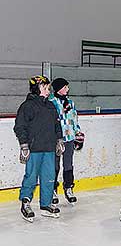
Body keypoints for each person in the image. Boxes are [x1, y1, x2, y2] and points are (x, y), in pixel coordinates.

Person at [14, 75, 64, 222]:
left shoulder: (50, 105)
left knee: (49, 178)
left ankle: (46, 204)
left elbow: (57, 125)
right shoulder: (27, 106)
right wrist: (24, 145)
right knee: (30, 177)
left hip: (49, 148)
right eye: (45, 87)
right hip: (34, 149)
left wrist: (59, 140)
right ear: (38, 88)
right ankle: (26, 203)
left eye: (48, 87)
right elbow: (20, 127)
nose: (48, 89)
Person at [49, 78, 83, 204]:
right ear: (59, 88)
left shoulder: (70, 102)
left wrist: (78, 133)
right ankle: (52, 190)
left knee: (68, 164)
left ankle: (68, 188)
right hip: (56, 139)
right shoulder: (51, 102)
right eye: (65, 87)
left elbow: (74, 119)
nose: (68, 89)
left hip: (69, 138)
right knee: (55, 165)